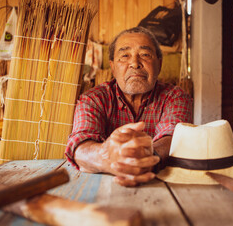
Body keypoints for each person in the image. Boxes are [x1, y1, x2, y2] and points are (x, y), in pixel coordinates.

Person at [65, 27, 192, 187]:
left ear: (159, 64)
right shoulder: (93, 99)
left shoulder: (176, 97)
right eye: (125, 56)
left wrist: (147, 157)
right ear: (112, 66)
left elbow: (173, 136)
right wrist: (106, 156)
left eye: (145, 55)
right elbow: (80, 146)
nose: (134, 63)